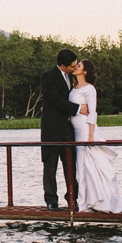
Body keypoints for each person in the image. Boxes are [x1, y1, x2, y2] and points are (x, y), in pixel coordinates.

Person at [69, 59, 122, 213]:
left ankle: (91, 202)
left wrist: (91, 136)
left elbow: (92, 112)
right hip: (75, 130)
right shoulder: (74, 88)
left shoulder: (89, 89)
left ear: (85, 71)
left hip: (85, 130)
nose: (76, 67)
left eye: (79, 66)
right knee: (81, 166)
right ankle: (84, 202)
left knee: (87, 165)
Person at [40, 48, 88, 211]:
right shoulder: (48, 77)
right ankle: (51, 200)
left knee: (70, 165)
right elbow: (54, 100)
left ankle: (72, 197)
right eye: (72, 66)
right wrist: (77, 109)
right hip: (52, 129)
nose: (75, 68)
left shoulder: (70, 77)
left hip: (68, 129)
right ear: (63, 65)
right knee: (50, 165)